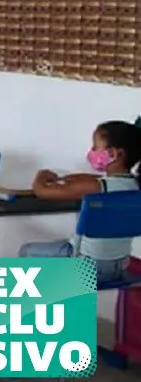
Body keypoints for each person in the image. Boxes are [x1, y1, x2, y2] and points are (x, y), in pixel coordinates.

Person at [19, 119, 141, 282]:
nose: (91, 151)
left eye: (96, 147)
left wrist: (41, 176)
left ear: (114, 154)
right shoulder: (134, 186)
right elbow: (95, 180)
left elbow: (42, 192)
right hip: (119, 267)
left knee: (26, 252)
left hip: (86, 266)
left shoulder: (98, 187)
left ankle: (42, 304)